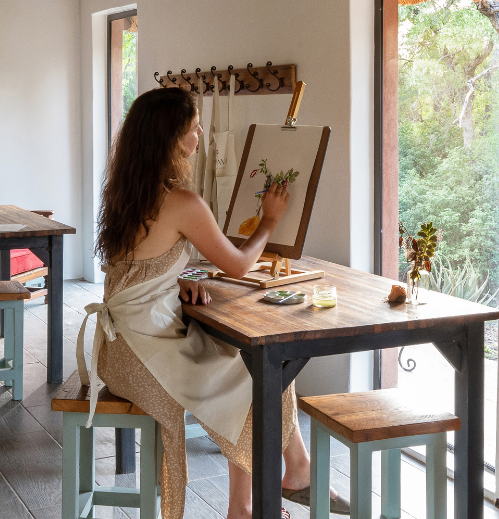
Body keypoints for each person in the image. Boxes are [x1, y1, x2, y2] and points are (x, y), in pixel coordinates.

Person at [85, 87, 350, 519]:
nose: (200, 134)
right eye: (193, 127)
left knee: (248, 363)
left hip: (116, 348)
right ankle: (255, 501)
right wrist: (268, 220)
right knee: (256, 377)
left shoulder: (127, 191)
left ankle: (281, 482)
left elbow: (140, 267)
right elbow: (240, 265)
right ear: (172, 138)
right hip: (141, 352)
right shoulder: (181, 200)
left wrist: (181, 280)